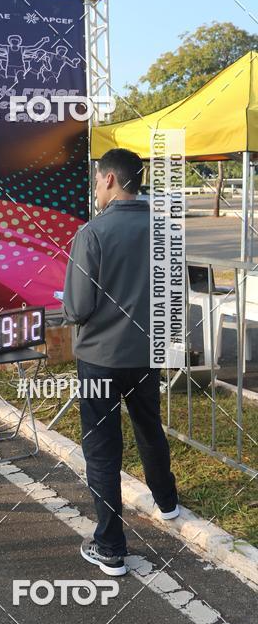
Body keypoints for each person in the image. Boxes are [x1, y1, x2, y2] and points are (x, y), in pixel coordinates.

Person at [62, 148, 178, 577]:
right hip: (148, 354)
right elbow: (173, 299)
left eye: (96, 181)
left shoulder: (92, 234)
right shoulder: (166, 230)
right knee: (149, 425)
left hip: (100, 359)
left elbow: (76, 307)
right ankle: (167, 501)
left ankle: (110, 545)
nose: (95, 189)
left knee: (102, 446)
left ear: (109, 179)